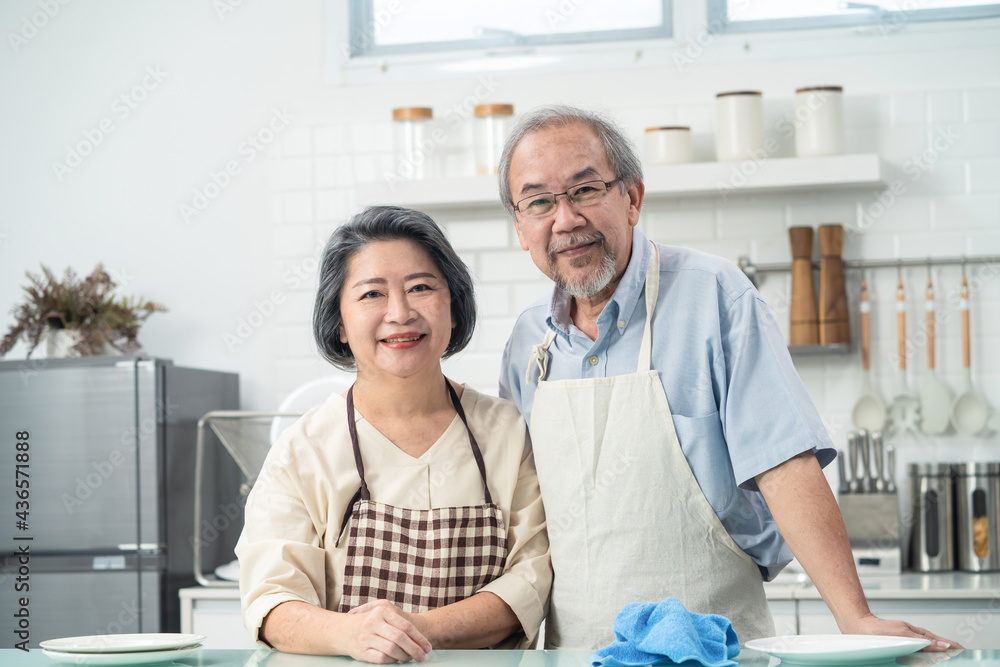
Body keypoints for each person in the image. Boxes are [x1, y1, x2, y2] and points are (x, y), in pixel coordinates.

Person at [496, 105, 959, 650]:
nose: (565, 219)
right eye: (540, 202)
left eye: (586, 190)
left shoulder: (714, 296)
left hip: (716, 652)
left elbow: (784, 463)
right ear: (522, 229)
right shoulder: (529, 343)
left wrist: (853, 616)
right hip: (577, 655)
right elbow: (522, 518)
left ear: (633, 198)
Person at [237, 206, 551, 662]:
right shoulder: (303, 450)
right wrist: (351, 634)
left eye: (421, 288)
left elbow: (531, 581)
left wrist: (414, 631)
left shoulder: (507, 432)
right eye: (372, 295)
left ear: (454, 309)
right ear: (340, 324)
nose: (400, 313)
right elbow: (272, 602)